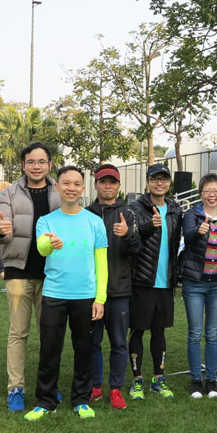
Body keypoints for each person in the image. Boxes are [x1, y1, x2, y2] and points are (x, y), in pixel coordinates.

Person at [24, 166, 107, 421]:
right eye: (66, 183)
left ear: (83, 188)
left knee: (84, 350)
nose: (72, 188)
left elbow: (102, 263)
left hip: (86, 296)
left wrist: (100, 298)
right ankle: (46, 401)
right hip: (54, 294)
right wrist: (50, 242)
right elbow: (42, 249)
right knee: (49, 350)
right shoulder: (46, 221)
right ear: (57, 187)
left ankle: (81, 399)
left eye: (77, 184)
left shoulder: (95, 222)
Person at [0, 142, 60, 412]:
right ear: (23, 165)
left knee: (49, 334)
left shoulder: (59, 191)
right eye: (31, 161)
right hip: (19, 271)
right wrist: (0, 229)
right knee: (18, 333)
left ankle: (48, 387)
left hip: (52, 274)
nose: (36, 166)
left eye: (41, 162)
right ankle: (16, 388)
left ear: (50, 165)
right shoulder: (9, 193)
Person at [86, 164, 141, 411]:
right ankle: (95, 386)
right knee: (92, 341)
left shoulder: (128, 214)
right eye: (103, 181)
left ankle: (115, 388)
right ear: (96, 185)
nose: (108, 186)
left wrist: (127, 234)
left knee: (119, 342)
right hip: (90, 290)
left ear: (119, 185)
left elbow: (137, 248)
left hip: (119, 289)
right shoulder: (86, 214)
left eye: (112, 182)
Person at [127, 164, 182, 399]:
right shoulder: (135, 208)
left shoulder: (175, 209)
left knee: (159, 331)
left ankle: (158, 379)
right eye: (154, 179)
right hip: (142, 280)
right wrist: (148, 226)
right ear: (147, 182)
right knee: (138, 330)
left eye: (164, 179)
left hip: (165, 282)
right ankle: (137, 380)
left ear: (169, 183)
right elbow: (130, 238)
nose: (159, 183)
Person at [180, 173, 217, 399]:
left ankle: (211, 380)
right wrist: (198, 231)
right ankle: (196, 380)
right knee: (194, 334)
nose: (212, 195)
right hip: (194, 283)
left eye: (216, 191)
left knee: (212, 334)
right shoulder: (192, 215)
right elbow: (187, 236)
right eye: (207, 191)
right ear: (201, 193)